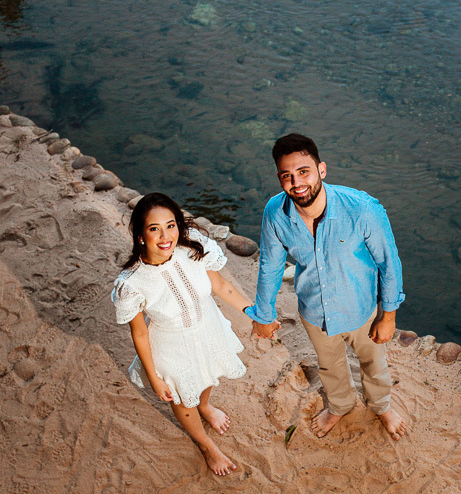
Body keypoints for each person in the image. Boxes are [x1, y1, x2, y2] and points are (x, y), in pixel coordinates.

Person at [246, 133, 408, 440]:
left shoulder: (362, 209)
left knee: (374, 364)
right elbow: (270, 266)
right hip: (314, 311)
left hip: (362, 310)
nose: (296, 183)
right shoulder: (275, 213)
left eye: (303, 171)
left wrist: (388, 316)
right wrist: (263, 315)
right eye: (287, 176)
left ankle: (381, 406)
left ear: (321, 169)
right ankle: (340, 406)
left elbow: (389, 263)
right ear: (280, 179)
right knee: (330, 367)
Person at [112, 193, 253, 476]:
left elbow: (221, 286)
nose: (165, 236)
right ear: (140, 236)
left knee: (207, 374)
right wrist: (154, 377)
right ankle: (206, 447)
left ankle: (205, 406)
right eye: (154, 229)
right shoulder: (132, 283)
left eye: (171, 225)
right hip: (171, 347)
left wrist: (254, 313)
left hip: (208, 328)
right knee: (183, 398)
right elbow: (140, 334)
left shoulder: (193, 250)